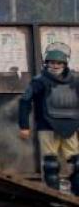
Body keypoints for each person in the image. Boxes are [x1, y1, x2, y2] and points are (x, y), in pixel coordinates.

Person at [18, 42, 78, 193]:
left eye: (59, 63)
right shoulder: (39, 81)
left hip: (70, 127)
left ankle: (77, 194)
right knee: (51, 163)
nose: (55, 66)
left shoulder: (75, 81)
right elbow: (25, 101)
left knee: (76, 162)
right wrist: (24, 126)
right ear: (47, 64)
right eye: (52, 63)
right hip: (47, 126)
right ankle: (53, 195)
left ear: (65, 64)